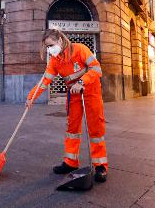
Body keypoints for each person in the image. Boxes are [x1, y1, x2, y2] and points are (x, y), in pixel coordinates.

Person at [26, 29, 108, 183]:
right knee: (72, 128)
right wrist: (31, 97)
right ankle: (70, 162)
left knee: (95, 128)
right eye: (47, 47)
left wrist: (82, 82)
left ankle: (100, 166)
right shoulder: (54, 61)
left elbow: (97, 69)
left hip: (91, 90)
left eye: (51, 45)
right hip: (74, 93)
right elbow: (44, 82)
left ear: (60, 40)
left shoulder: (80, 49)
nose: (50, 50)